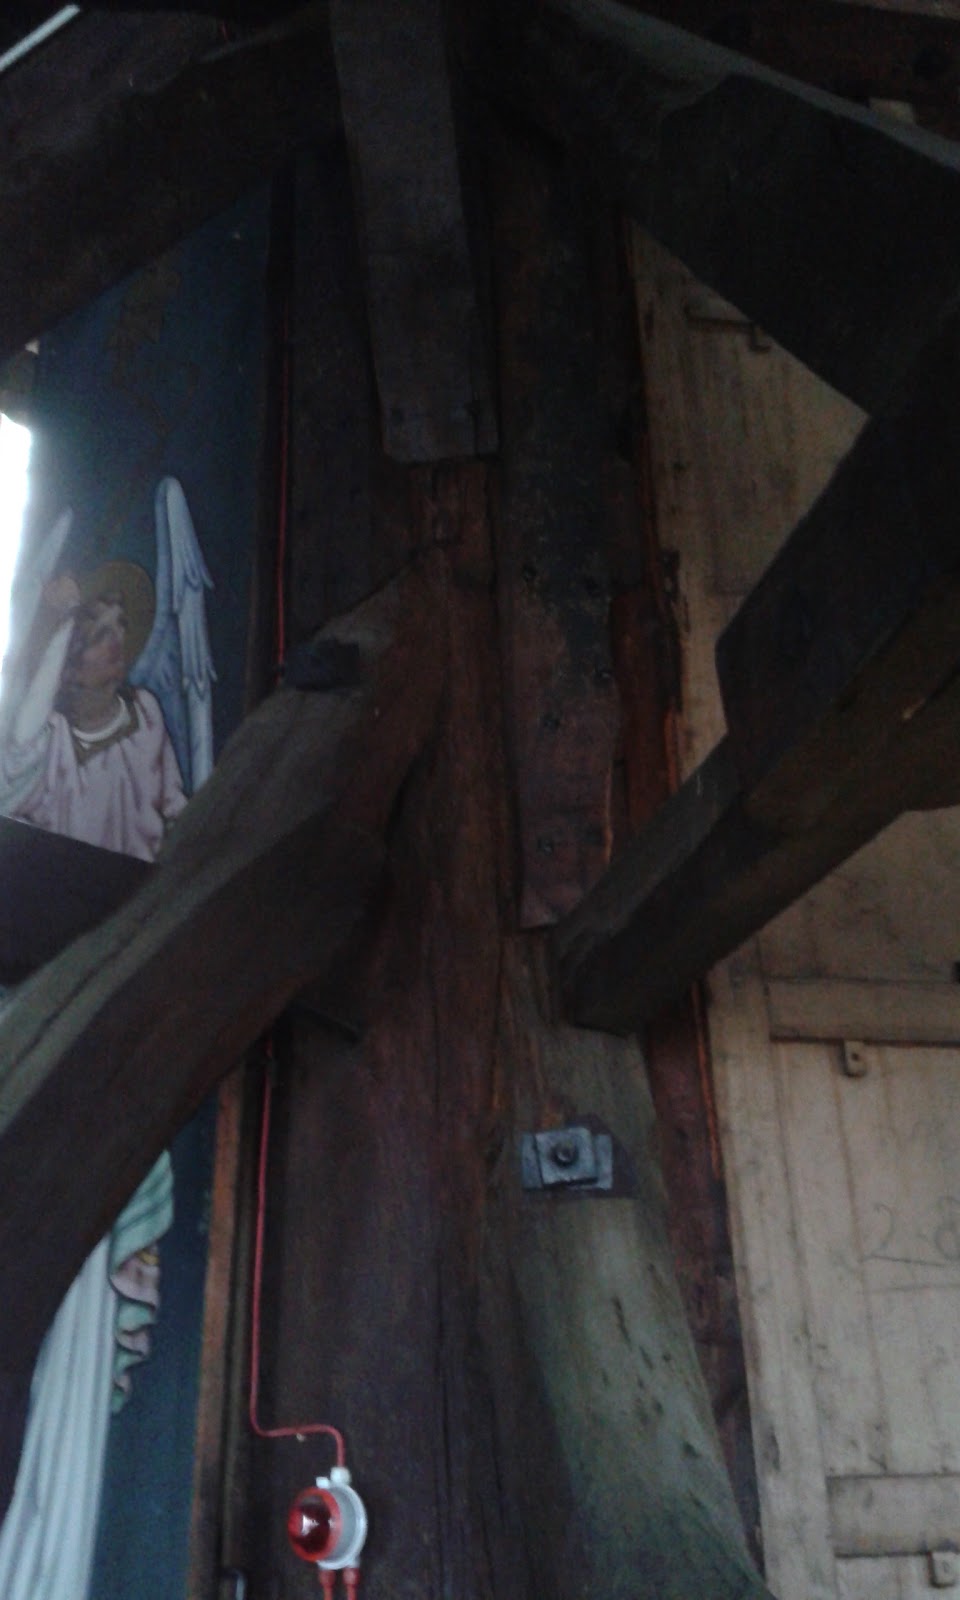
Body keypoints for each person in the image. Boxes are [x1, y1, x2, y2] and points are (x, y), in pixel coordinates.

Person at [0, 560, 188, 1600]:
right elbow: (12, 772)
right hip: (39, 980)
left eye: (113, 633)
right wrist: (39, 632)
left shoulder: (149, 722)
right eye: (84, 636)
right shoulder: (40, 738)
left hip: (122, 990)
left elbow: (176, 822)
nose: (97, 649)